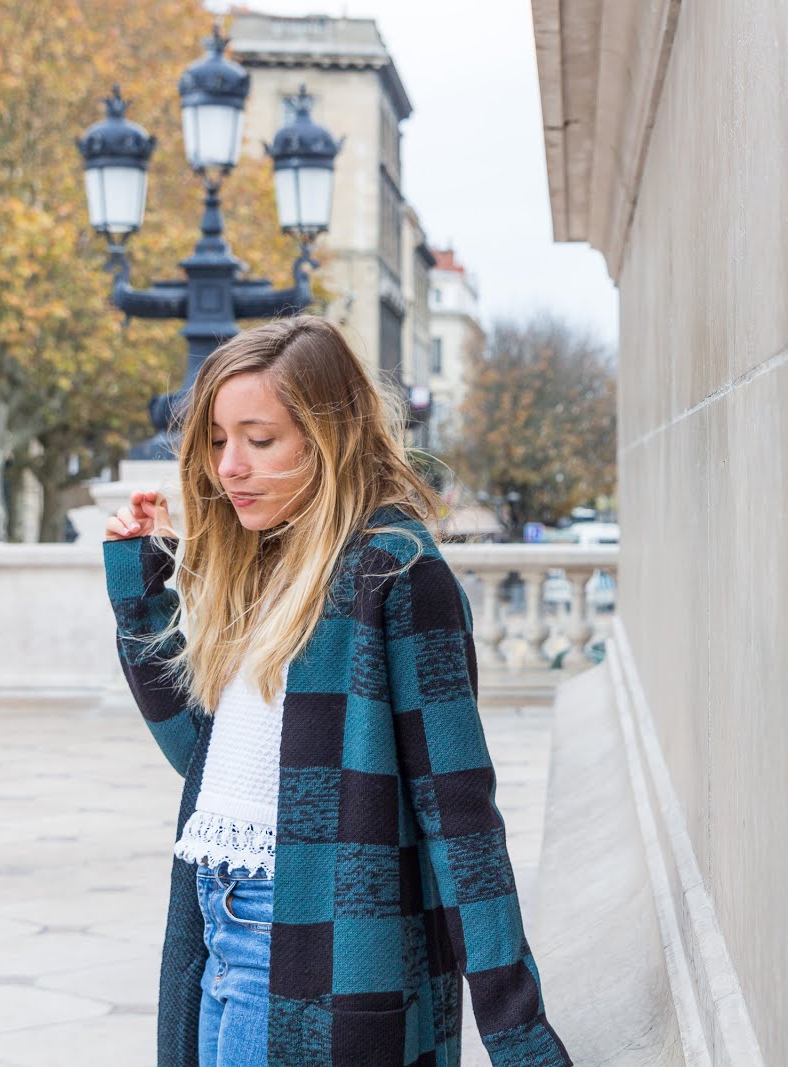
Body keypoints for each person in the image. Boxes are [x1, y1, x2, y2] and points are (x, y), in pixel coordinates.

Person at [101, 316, 572, 1067]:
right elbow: (202, 756)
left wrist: (519, 1034)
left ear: (331, 435)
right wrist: (138, 585)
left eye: (260, 439)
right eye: (219, 440)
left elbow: (461, 819)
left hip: (308, 945)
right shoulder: (267, 562)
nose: (231, 467)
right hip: (214, 921)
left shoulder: (395, 573)